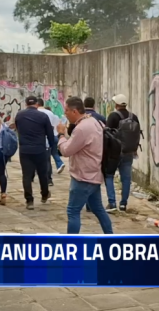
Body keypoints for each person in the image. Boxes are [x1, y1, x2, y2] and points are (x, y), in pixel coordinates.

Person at [56, 96, 113, 234]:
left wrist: (61, 135)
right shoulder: (93, 121)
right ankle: (110, 238)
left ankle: (71, 247)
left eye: (66, 111)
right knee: (98, 209)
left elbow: (66, 151)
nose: (65, 114)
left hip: (83, 177)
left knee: (73, 211)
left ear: (75, 111)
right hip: (94, 173)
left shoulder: (82, 128)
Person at [14, 96, 55, 210]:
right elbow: (50, 134)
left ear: (26, 104)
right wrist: (52, 146)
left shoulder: (19, 115)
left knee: (26, 175)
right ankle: (44, 194)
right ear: (37, 104)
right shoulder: (43, 116)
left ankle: (29, 200)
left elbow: (18, 129)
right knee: (43, 174)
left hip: (25, 150)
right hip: (40, 149)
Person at [105, 93, 141, 212]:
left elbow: (107, 134)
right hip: (129, 152)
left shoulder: (113, 116)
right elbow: (137, 135)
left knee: (109, 176)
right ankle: (123, 204)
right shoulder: (134, 117)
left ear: (116, 104)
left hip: (114, 153)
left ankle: (112, 203)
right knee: (126, 179)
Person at [37, 98, 63, 185]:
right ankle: (49, 179)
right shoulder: (50, 113)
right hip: (48, 139)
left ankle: (31, 177)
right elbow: (52, 127)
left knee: (33, 160)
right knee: (47, 160)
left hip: (37, 141)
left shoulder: (35, 113)